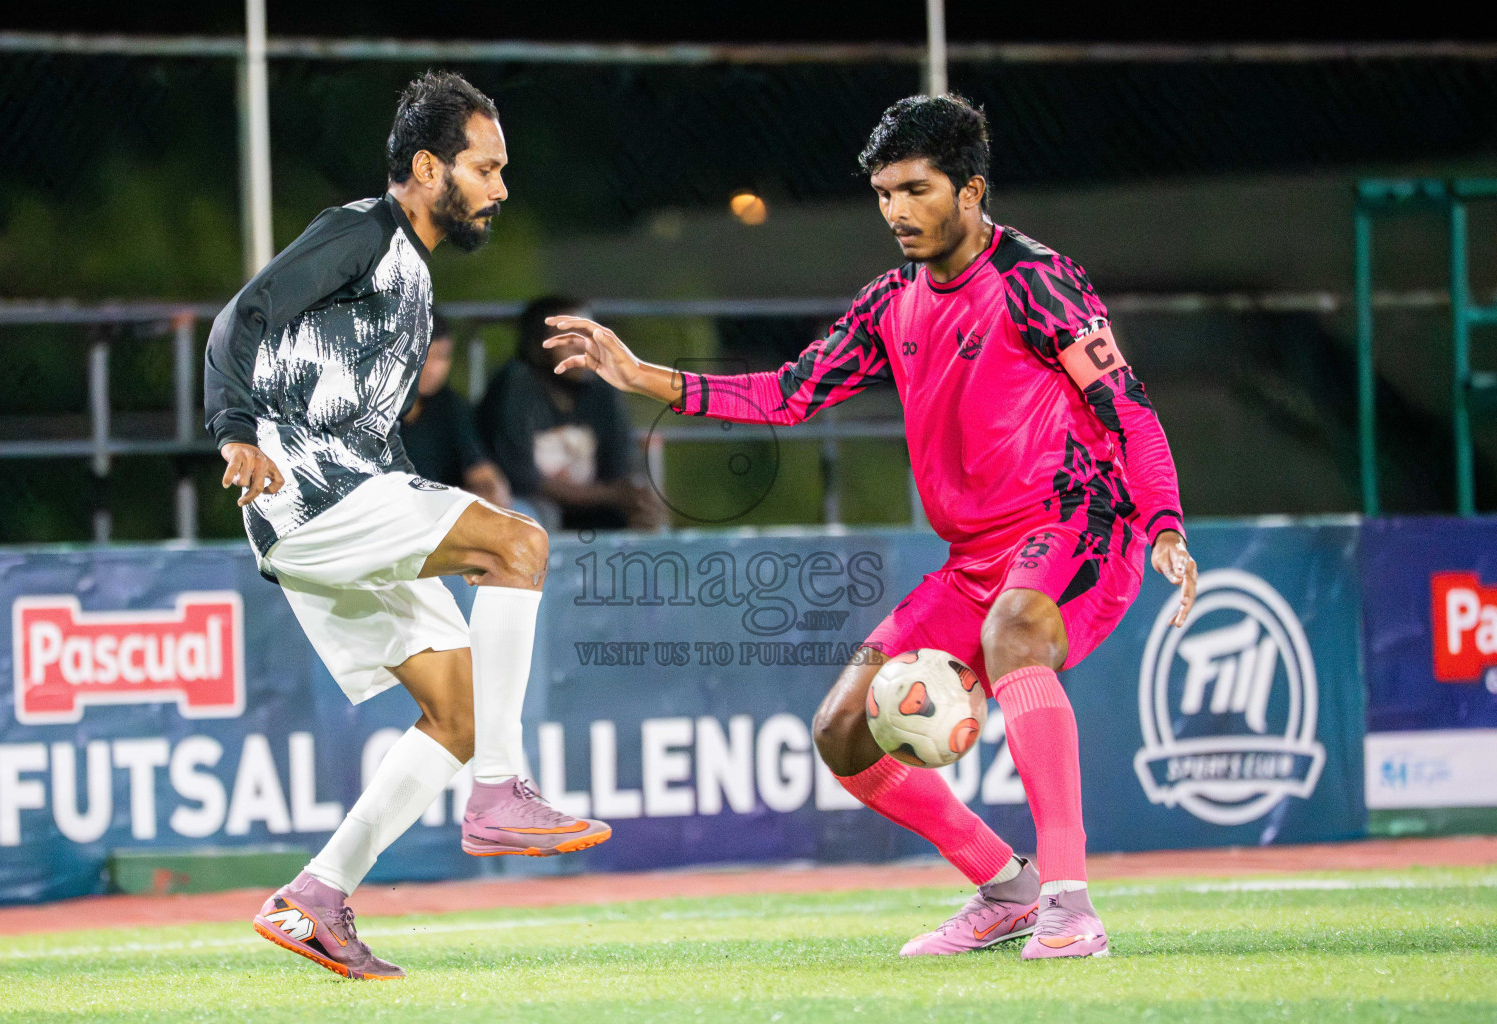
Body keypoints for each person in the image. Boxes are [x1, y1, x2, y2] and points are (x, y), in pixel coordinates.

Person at [542, 94, 1198, 961]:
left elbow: (1129, 407)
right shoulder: (891, 302)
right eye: (884, 192)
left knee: (1014, 635)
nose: (895, 211)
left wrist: (1164, 524)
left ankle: (1071, 906)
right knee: (842, 731)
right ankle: (1008, 888)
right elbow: (788, 393)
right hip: (972, 561)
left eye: (915, 190)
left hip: (1078, 526)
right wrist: (643, 376)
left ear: (970, 192)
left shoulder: (1038, 279)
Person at [204, 71, 609, 981]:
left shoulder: (412, 277)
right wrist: (233, 432)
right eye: (486, 168)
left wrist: (433, 520)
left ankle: (315, 898)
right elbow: (239, 321)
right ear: (429, 167)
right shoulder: (360, 233)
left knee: (455, 716)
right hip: (309, 490)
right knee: (520, 544)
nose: (501, 189)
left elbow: (352, 406)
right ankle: (501, 792)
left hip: (335, 500)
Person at [480, 296, 664, 531]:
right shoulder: (515, 385)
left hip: (594, 503)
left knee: (644, 513)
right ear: (538, 344)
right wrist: (611, 495)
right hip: (529, 506)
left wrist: (633, 498)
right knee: (533, 517)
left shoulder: (602, 387)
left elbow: (618, 465)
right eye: (569, 338)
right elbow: (522, 480)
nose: (583, 346)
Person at [400, 317, 512, 507]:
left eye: (442, 356)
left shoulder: (450, 406)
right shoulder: (366, 411)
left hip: (438, 518)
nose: (433, 368)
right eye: (424, 356)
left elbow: (487, 480)